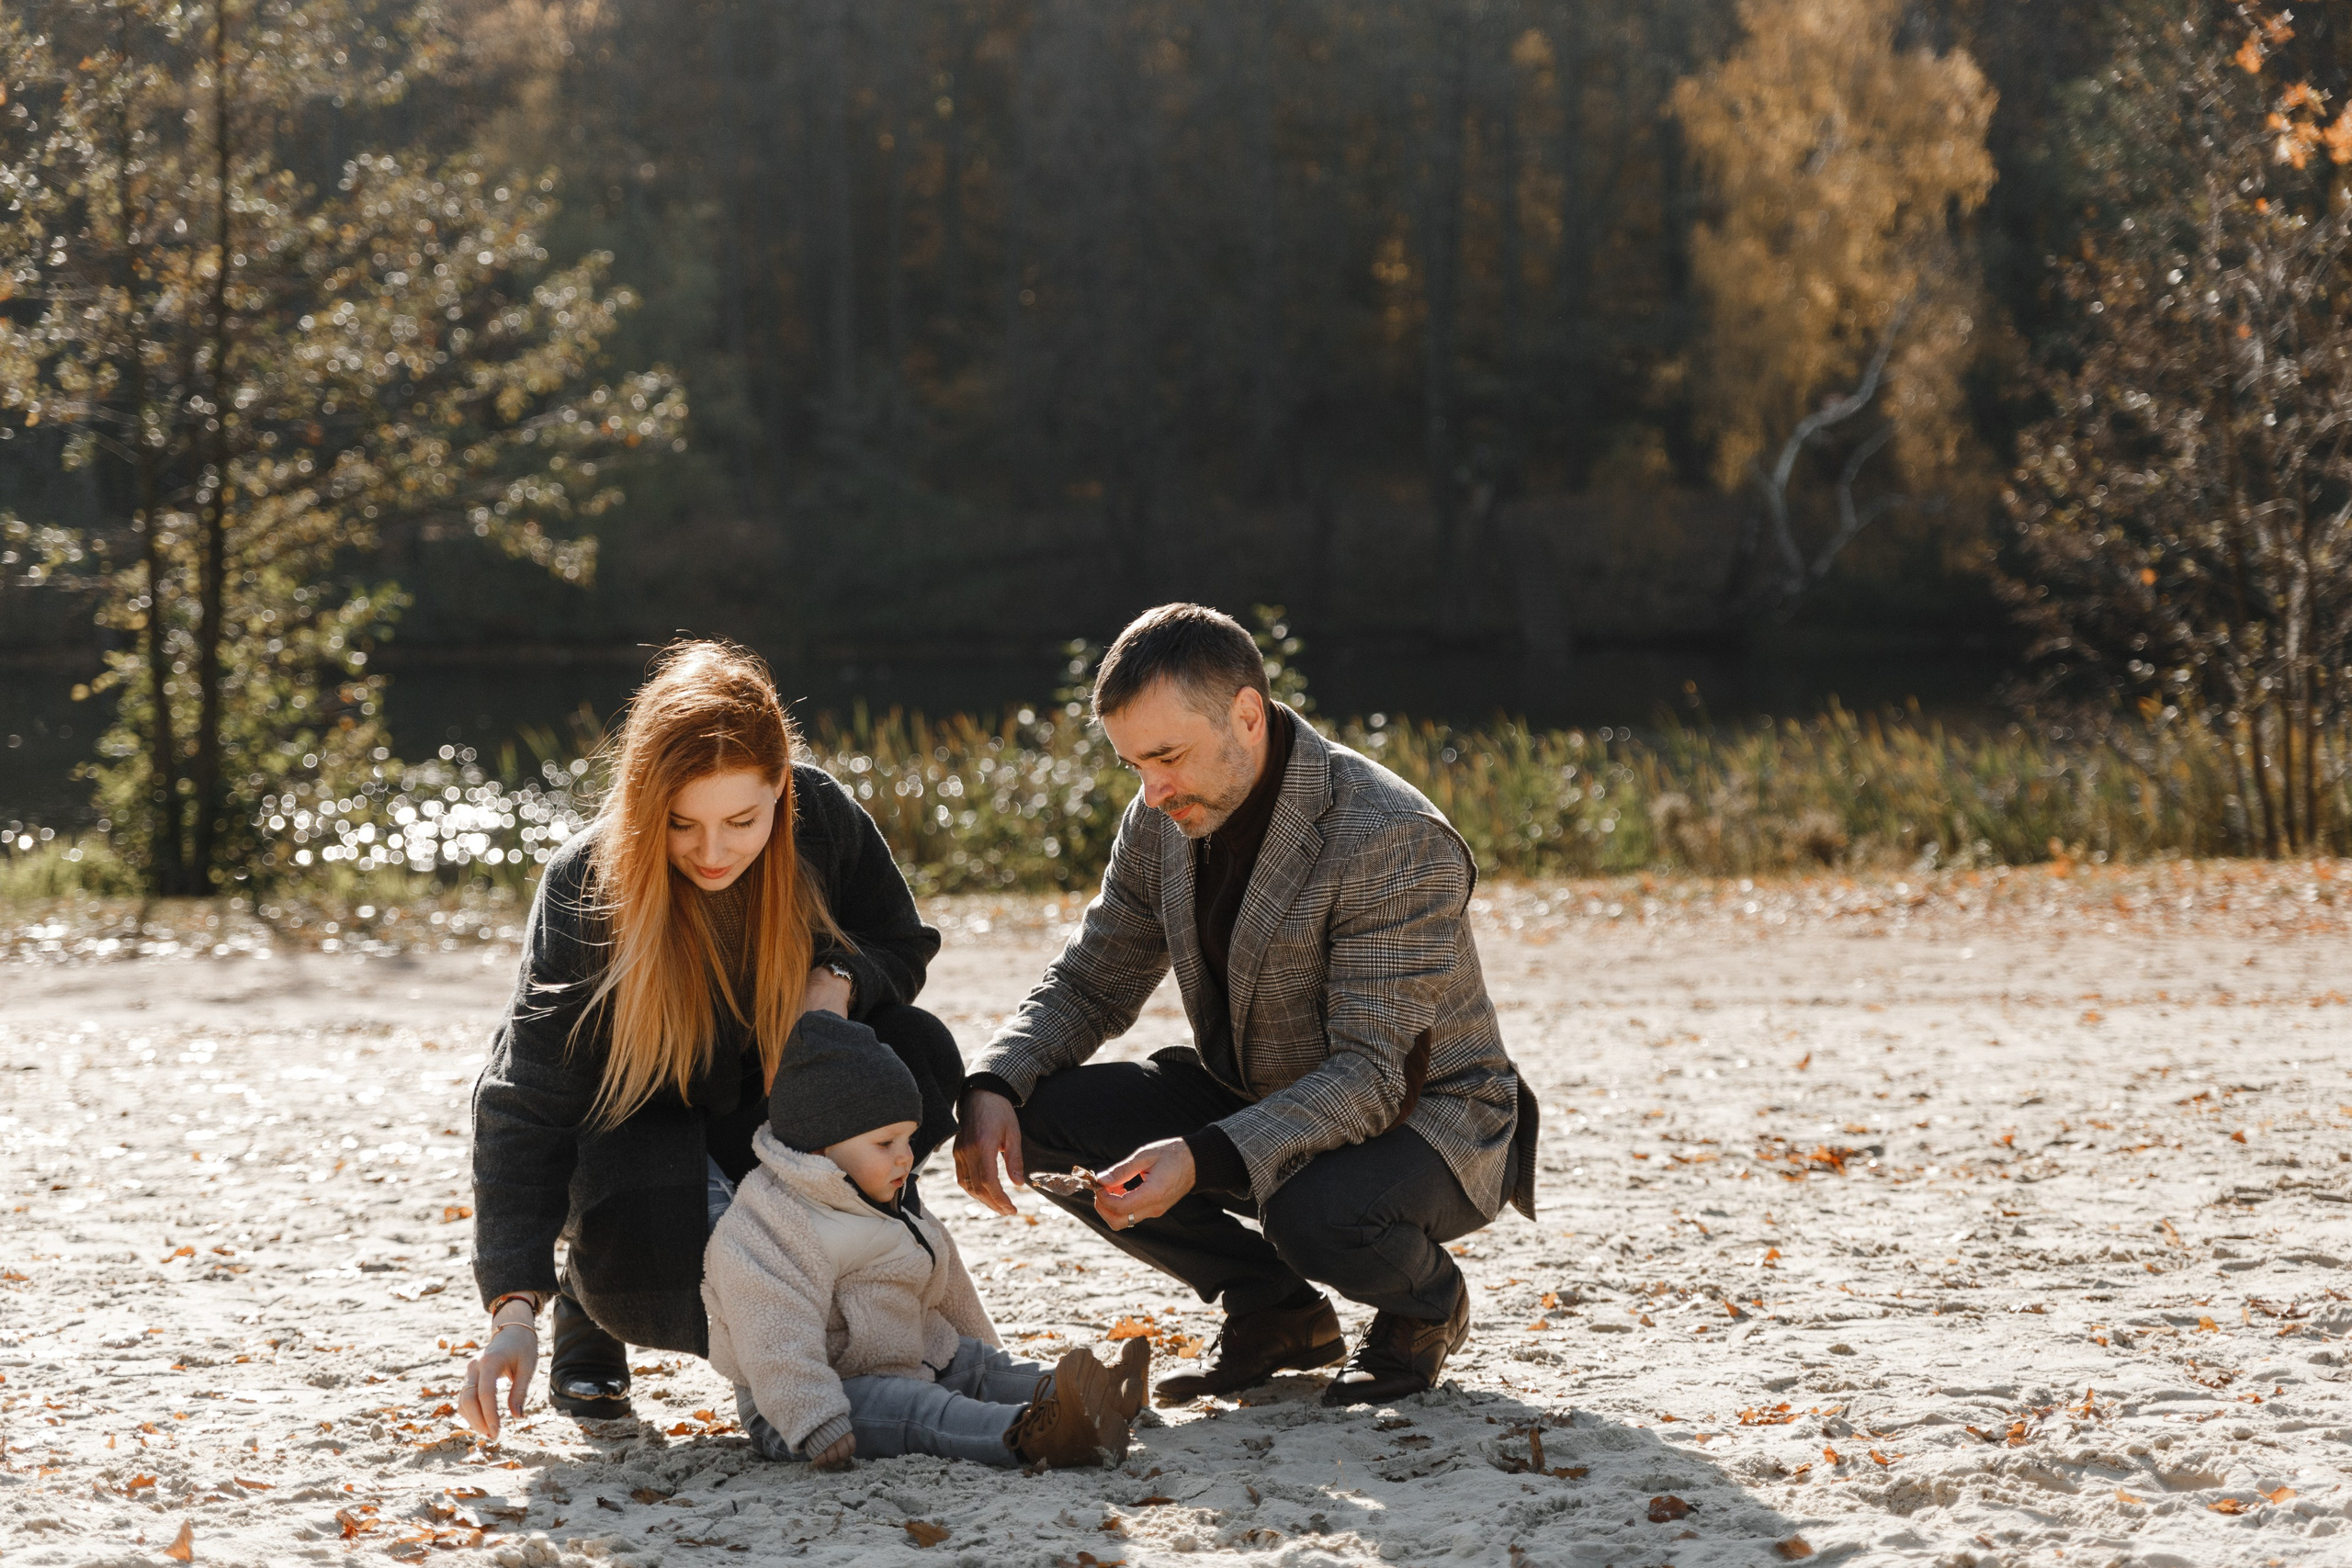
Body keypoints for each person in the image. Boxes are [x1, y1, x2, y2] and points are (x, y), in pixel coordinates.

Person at [956, 603, 1538, 1408]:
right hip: (1255, 1091)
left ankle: (1425, 1305)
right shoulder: (1161, 815)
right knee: (1044, 1112)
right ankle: (1278, 1312)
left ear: (1247, 714)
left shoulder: (1391, 833)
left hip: (1428, 1118)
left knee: (1313, 1214)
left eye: (1167, 757)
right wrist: (991, 1084)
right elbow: (1094, 979)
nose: (1152, 792)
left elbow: (1372, 1075)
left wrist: (1199, 1156)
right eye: (1134, 766)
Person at [458, 639, 964, 1438]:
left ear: (781, 792)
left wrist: (834, 985)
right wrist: (513, 1310)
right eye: (681, 823)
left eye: (742, 820)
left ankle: (839, 1239)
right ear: (642, 801)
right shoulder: (584, 884)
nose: (714, 851)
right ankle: (586, 1305)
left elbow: (903, 941)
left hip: (773, 1103)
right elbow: (527, 1100)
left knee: (916, 1050)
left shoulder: (824, 820)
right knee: (647, 1268)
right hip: (637, 1129)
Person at [702, 1013, 1147, 1469]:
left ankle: (1095, 1394)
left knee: (978, 1365)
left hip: (903, 1354)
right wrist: (813, 1416)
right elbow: (773, 1333)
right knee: (916, 1409)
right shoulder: (770, 1222)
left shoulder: (882, 1196)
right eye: (885, 1143)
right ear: (820, 1147)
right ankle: (1032, 1433)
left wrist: (980, 1348)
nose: (906, 1156)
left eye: (909, 1138)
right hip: (807, 1404)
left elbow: (947, 1281)